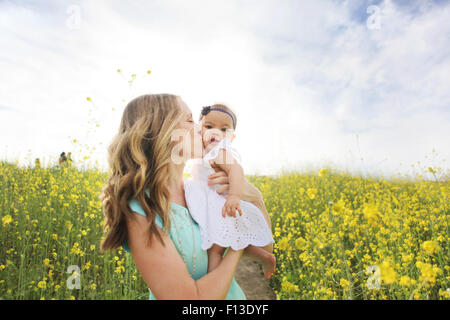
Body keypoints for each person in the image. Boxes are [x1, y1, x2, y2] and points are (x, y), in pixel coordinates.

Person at [99, 94, 272, 300]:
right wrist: (237, 244)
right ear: (163, 132)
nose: (201, 128)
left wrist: (255, 198)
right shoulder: (142, 209)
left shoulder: (201, 192)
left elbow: (265, 246)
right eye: (190, 121)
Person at [184, 104, 276, 278]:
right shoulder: (202, 153)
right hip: (210, 204)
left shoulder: (219, 151)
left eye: (223, 129)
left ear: (231, 138)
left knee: (215, 249)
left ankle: (213, 284)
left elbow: (236, 170)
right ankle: (262, 256)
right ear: (199, 129)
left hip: (221, 206)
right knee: (229, 242)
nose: (215, 132)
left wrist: (234, 196)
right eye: (209, 127)